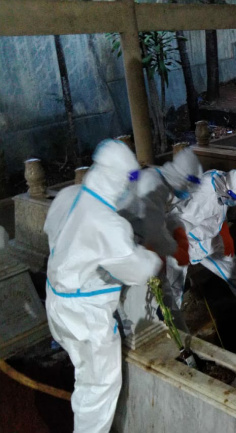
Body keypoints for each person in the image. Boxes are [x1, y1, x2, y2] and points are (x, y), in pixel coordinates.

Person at [44, 139, 162, 433]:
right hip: (85, 315)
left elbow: (55, 234)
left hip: (56, 299)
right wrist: (153, 256)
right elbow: (136, 271)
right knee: (100, 386)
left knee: (84, 369)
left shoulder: (69, 195)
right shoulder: (108, 224)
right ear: (118, 179)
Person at [118, 147, 203, 331]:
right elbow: (154, 232)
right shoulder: (153, 184)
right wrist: (177, 251)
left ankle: (183, 339)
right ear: (183, 179)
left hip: (139, 246)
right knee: (137, 311)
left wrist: (178, 230)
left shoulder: (158, 178)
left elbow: (162, 217)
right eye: (188, 187)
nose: (187, 193)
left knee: (165, 297)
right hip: (128, 252)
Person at [166, 168, 236, 310]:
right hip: (187, 237)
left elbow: (220, 211)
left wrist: (226, 235)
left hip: (208, 233)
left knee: (227, 256)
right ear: (228, 190)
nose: (235, 203)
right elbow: (179, 221)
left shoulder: (220, 179)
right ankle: (170, 308)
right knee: (176, 273)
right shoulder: (201, 198)